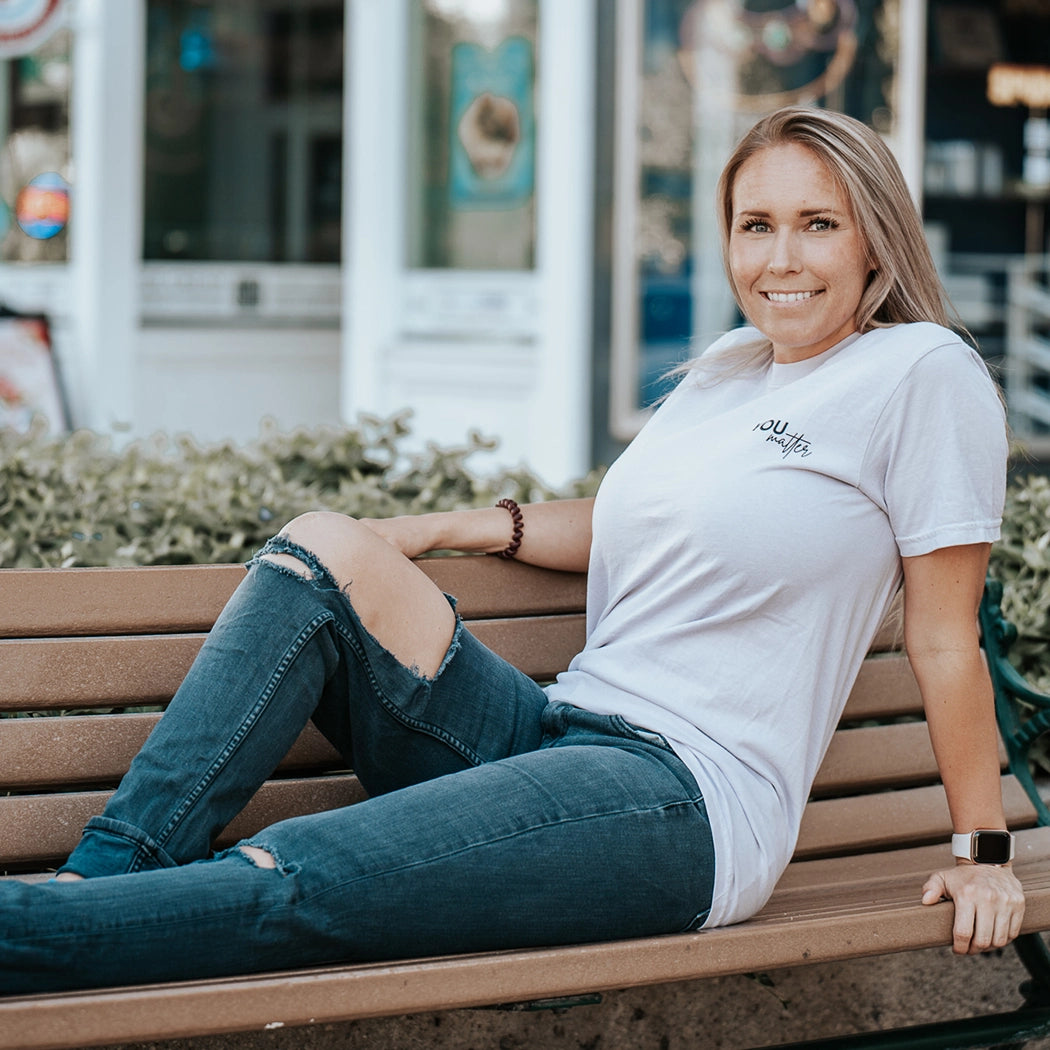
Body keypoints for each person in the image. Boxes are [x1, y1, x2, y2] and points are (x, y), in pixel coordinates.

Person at [0, 106, 1025, 994]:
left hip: (680, 801)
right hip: (555, 731)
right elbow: (642, 522)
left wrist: (983, 852)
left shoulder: (920, 375)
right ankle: (101, 880)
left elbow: (944, 640)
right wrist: (450, 528)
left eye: (817, 226)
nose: (780, 260)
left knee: (300, 871)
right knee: (320, 550)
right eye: (755, 226)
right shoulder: (729, 369)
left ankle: (35, 935)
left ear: (877, 242)